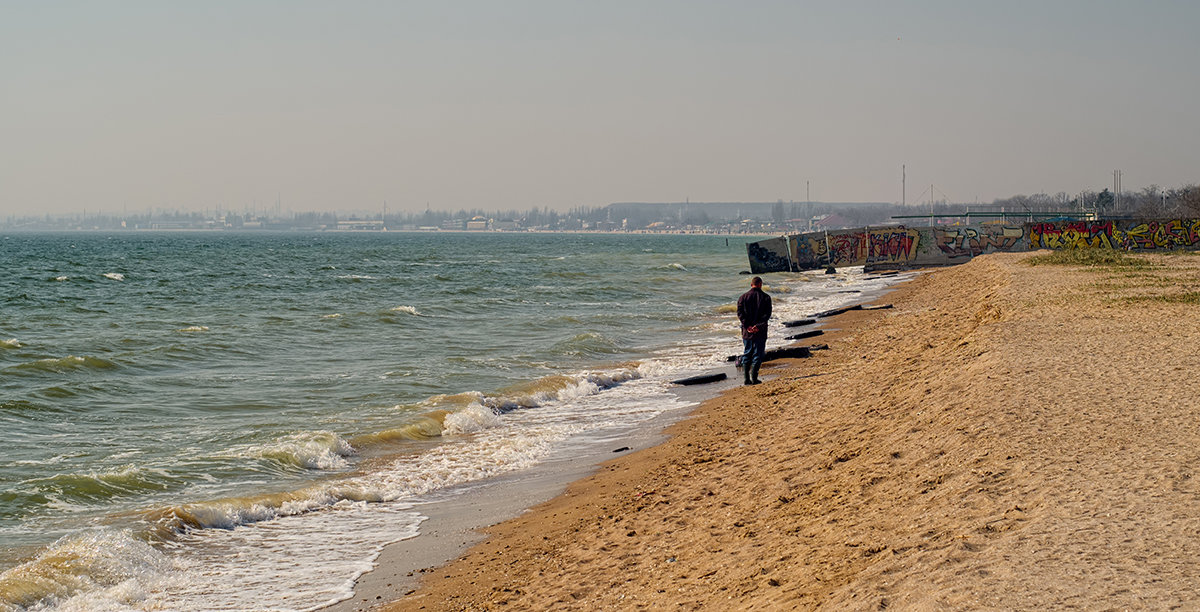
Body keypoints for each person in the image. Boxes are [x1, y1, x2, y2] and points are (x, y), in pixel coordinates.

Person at [737, 276, 772, 385]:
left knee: (747, 352)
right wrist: (758, 325)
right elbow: (767, 315)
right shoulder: (766, 297)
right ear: (760, 284)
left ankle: (746, 379)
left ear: (751, 285)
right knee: (758, 353)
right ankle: (754, 378)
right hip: (760, 330)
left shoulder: (743, 297)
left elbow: (740, 313)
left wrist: (747, 326)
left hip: (747, 331)